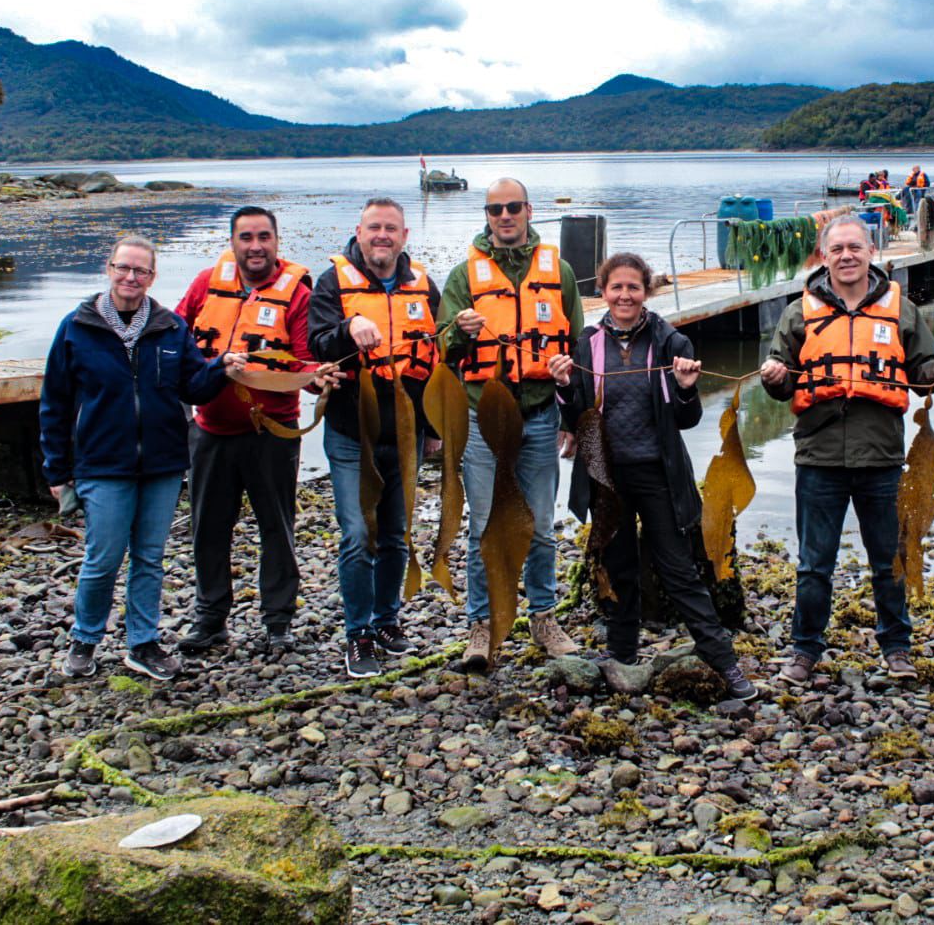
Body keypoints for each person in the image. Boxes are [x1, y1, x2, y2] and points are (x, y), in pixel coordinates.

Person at [760, 214, 934, 685]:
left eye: (855, 247)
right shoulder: (800, 311)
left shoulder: (900, 310)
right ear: (824, 256)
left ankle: (896, 648)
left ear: (871, 252)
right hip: (818, 457)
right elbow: (779, 373)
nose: (846, 256)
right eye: (836, 249)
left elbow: (923, 369)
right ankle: (804, 651)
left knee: (889, 559)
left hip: (881, 456)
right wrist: (773, 375)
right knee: (814, 564)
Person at [552, 253, 758, 701]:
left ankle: (723, 661)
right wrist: (564, 386)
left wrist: (686, 390)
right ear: (602, 292)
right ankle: (621, 655)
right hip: (607, 477)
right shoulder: (586, 344)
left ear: (647, 291)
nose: (625, 295)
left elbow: (687, 420)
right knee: (618, 565)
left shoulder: (671, 343)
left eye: (634, 287)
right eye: (616, 288)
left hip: (659, 473)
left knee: (678, 567)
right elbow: (574, 414)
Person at [41, 236, 244, 681]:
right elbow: (55, 402)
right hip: (102, 464)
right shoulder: (78, 326)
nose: (131, 278)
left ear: (153, 277)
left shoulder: (170, 328)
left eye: (141, 271)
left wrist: (222, 368)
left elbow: (193, 387)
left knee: (150, 558)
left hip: (163, 464)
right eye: (124, 268)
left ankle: (143, 642)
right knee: (103, 557)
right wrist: (57, 469)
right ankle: (84, 638)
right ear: (108, 268)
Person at [439, 177, 585, 671]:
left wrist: (573, 415)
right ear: (486, 215)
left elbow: (576, 347)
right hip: (484, 418)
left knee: (541, 525)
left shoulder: (559, 271)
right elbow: (441, 346)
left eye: (513, 207)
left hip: (542, 415)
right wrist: (458, 334)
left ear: (528, 209)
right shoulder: (464, 276)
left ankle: (543, 617)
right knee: (485, 524)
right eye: (496, 209)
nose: (505, 216)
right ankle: (481, 625)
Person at [176, 206, 330, 658]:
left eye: (264, 237)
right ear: (233, 242)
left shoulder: (297, 292)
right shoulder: (207, 283)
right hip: (211, 429)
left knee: (277, 526)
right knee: (208, 526)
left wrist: (319, 377)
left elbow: (304, 357)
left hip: (272, 431)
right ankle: (210, 616)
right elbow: (177, 337)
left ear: (277, 241)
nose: (255, 246)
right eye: (246, 237)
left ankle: (278, 621)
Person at [309, 197, 442, 678]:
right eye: (374, 228)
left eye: (391, 228)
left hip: (407, 432)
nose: (382, 236)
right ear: (359, 233)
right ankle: (357, 633)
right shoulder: (331, 283)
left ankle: (387, 620)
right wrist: (349, 327)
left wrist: (434, 430)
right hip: (351, 431)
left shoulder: (424, 286)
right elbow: (316, 344)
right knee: (357, 534)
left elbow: (437, 359)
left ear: (404, 236)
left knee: (395, 535)